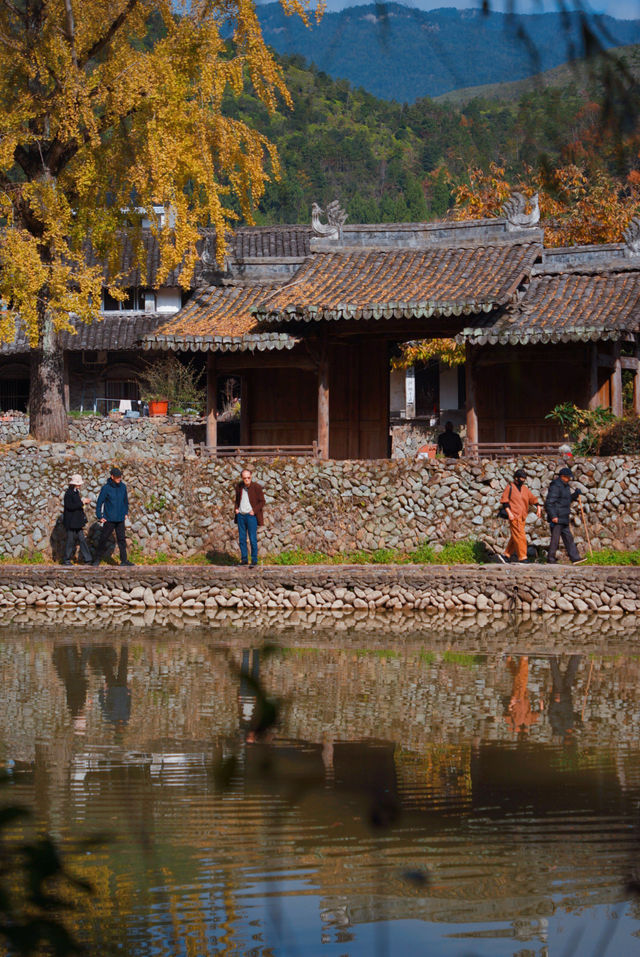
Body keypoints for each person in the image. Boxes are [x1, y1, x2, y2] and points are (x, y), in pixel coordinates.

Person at [497, 468, 542, 564]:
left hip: (522, 516)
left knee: (515, 536)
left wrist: (538, 506)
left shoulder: (525, 489)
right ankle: (522, 557)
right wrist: (509, 513)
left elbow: (532, 499)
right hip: (514, 515)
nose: (523, 480)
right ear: (516, 478)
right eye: (521, 478)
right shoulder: (510, 487)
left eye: (524, 478)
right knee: (520, 536)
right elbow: (505, 502)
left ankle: (506, 555)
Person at [92, 466, 133, 566]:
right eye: (117, 477)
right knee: (103, 539)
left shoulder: (123, 487)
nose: (119, 478)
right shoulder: (106, 488)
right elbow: (99, 503)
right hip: (109, 519)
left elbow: (125, 501)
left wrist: (125, 513)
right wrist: (99, 516)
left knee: (122, 540)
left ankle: (124, 560)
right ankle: (97, 559)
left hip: (120, 519)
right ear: (112, 476)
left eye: (120, 476)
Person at [545, 467, 586, 565]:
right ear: (562, 476)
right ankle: (551, 558)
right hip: (557, 517)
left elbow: (567, 500)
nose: (569, 479)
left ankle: (575, 558)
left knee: (569, 538)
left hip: (564, 516)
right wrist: (553, 516)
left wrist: (575, 494)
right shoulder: (556, 486)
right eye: (568, 477)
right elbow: (549, 502)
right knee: (555, 539)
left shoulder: (565, 486)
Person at [234, 468, 265, 566]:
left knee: (252, 538)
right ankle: (244, 559)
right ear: (242, 478)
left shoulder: (257, 487)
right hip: (241, 516)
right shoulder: (239, 486)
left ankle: (254, 560)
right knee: (242, 539)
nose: (247, 479)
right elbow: (237, 499)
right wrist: (236, 509)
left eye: (248, 477)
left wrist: (254, 511)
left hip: (251, 516)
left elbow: (262, 501)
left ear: (251, 476)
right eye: (245, 478)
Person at [61, 473, 93, 565]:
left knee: (82, 540)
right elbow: (70, 506)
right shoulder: (69, 493)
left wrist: (82, 503)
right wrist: (82, 502)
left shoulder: (75, 492)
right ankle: (66, 559)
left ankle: (88, 559)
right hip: (71, 522)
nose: (79, 485)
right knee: (70, 541)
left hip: (76, 521)